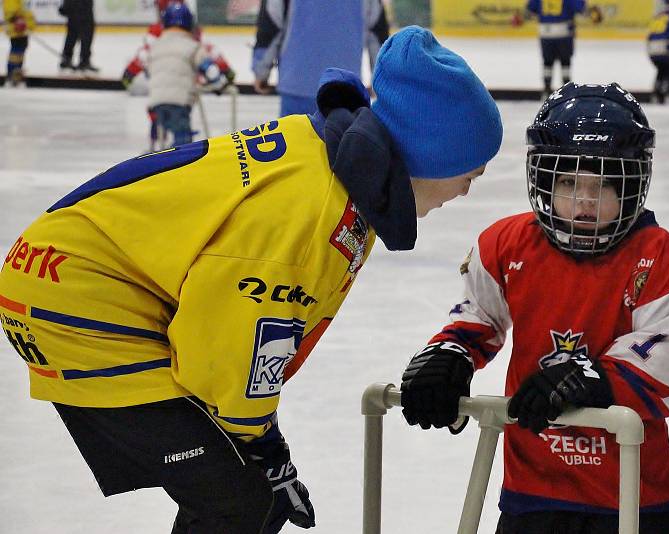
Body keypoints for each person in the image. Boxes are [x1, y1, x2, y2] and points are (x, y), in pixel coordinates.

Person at [0, 26, 502, 533]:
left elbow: (247, 337)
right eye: (470, 173)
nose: (466, 190)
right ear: (427, 153)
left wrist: (260, 440)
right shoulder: (310, 215)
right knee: (242, 502)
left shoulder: (333, 163)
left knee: (237, 492)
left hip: (78, 279)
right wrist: (262, 444)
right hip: (79, 300)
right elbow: (225, 347)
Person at [400, 82, 669, 534]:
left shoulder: (667, 262)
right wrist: (449, 356)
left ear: (633, 183)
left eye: (603, 184)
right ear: (543, 179)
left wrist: (593, 378)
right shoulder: (504, 244)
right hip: (534, 492)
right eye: (567, 182)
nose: (583, 202)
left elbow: (663, 373)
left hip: (635, 496)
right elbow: (477, 317)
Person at [122, 1, 236, 151]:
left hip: (156, 99)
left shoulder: (155, 41)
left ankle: (154, 150)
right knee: (182, 137)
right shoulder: (193, 42)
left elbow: (142, 58)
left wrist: (128, 77)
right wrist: (224, 78)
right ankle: (180, 162)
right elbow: (210, 61)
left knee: (160, 123)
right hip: (180, 99)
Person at [252, 0, 363, 116]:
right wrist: (380, 77)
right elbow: (376, 30)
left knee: (295, 132)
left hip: (297, 85)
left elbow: (270, 28)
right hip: (346, 88)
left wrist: (261, 71)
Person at [513, 0, 603, 98]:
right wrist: (592, 13)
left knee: (547, 63)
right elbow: (583, 10)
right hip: (564, 34)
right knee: (565, 63)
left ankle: (546, 91)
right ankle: (567, 92)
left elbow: (528, 12)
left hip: (546, 34)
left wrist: (519, 18)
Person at [58, 0, 98, 75]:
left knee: (84, 37)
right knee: (73, 36)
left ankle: (82, 60)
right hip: (77, 11)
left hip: (83, 11)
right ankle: (68, 59)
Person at [3, 0, 36, 86]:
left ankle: (16, 72)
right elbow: (10, 10)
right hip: (17, 28)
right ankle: (12, 73)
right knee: (17, 50)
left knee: (21, 48)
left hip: (21, 27)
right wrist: (16, 19)